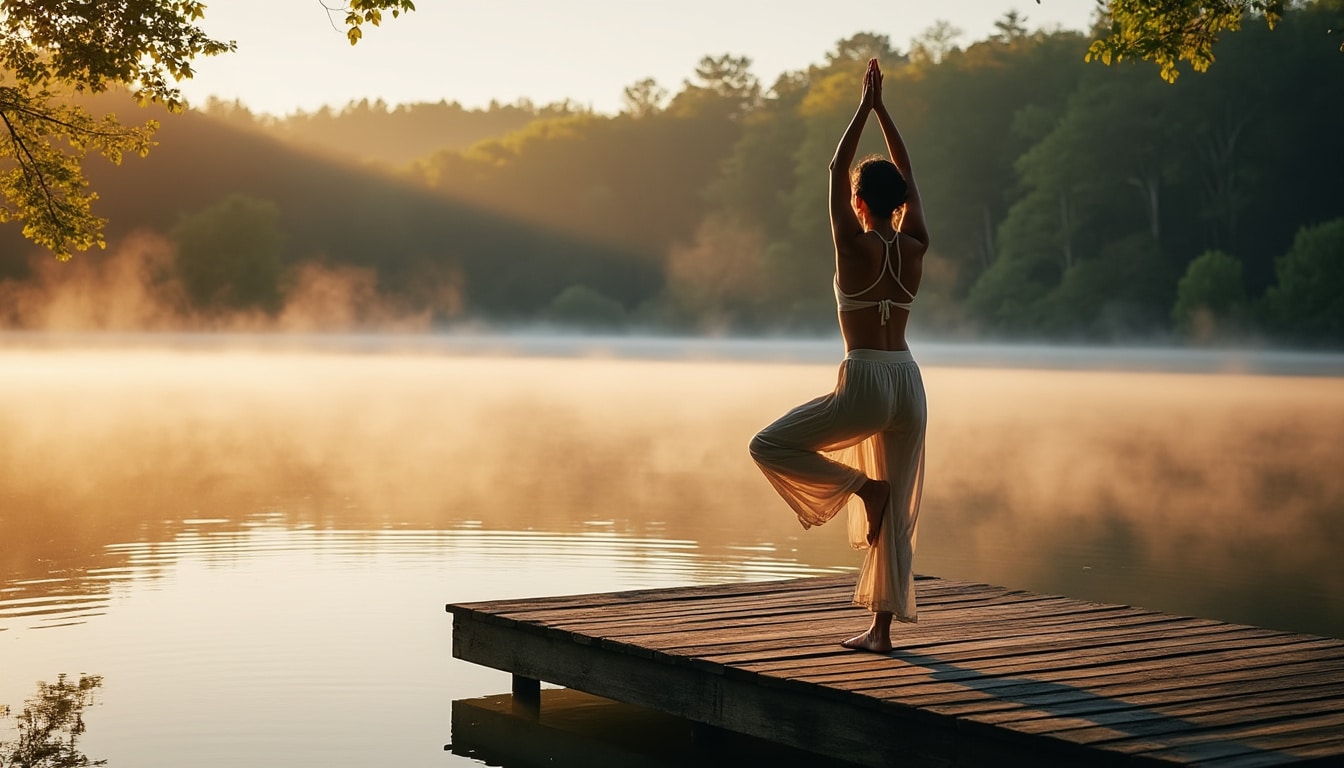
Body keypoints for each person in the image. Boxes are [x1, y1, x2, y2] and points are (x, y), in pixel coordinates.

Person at [748, 58, 928, 653]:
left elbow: (835, 166)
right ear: (900, 201)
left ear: (857, 202)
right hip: (908, 380)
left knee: (768, 444)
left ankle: (860, 488)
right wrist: (885, 114)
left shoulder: (852, 246)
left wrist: (864, 107)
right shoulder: (916, 245)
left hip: (868, 380)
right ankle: (881, 633)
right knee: (898, 507)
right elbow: (907, 171)